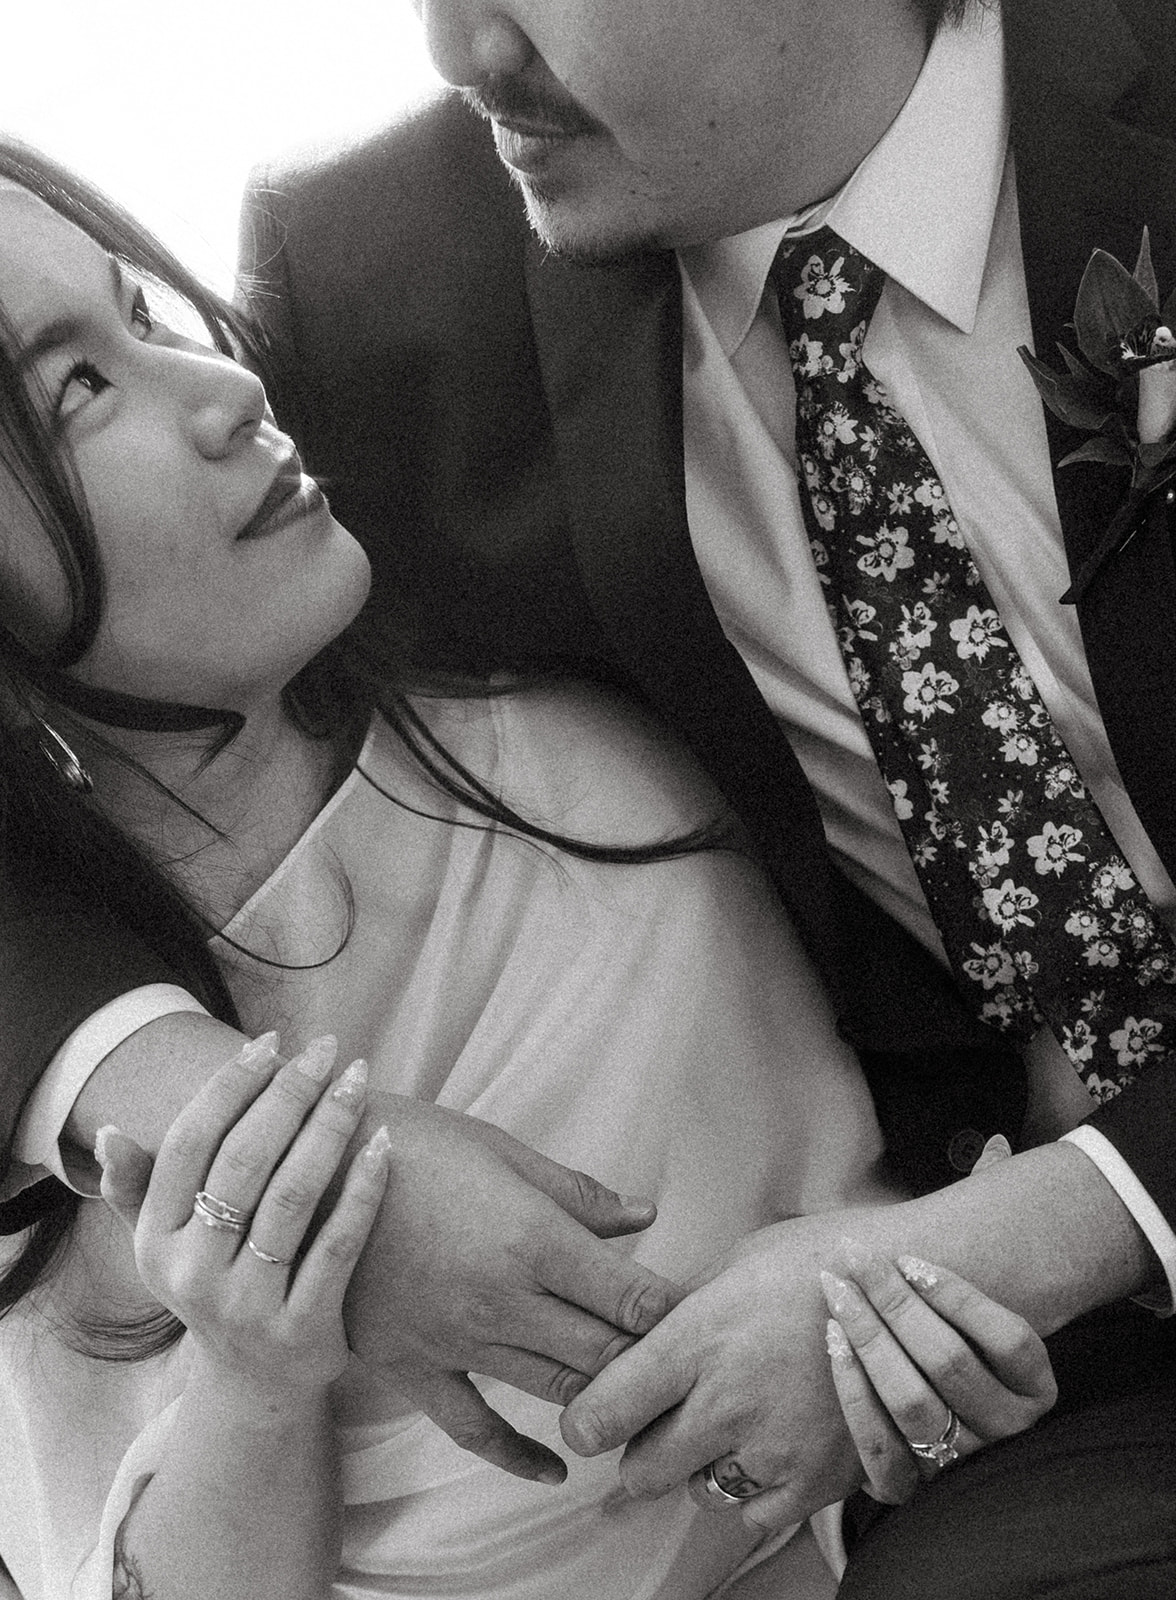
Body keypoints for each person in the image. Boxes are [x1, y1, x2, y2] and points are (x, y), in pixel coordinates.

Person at [3, 0, 1176, 1589]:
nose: (456, 49)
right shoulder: (389, 278)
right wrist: (222, 1124)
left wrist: (1051, 1231)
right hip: (1060, 1411)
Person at [0, 140, 947, 1596]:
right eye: (75, 391)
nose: (223, 393)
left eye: (144, 314)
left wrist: (937, 1329)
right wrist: (265, 1378)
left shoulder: (545, 697)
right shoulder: (79, 1098)